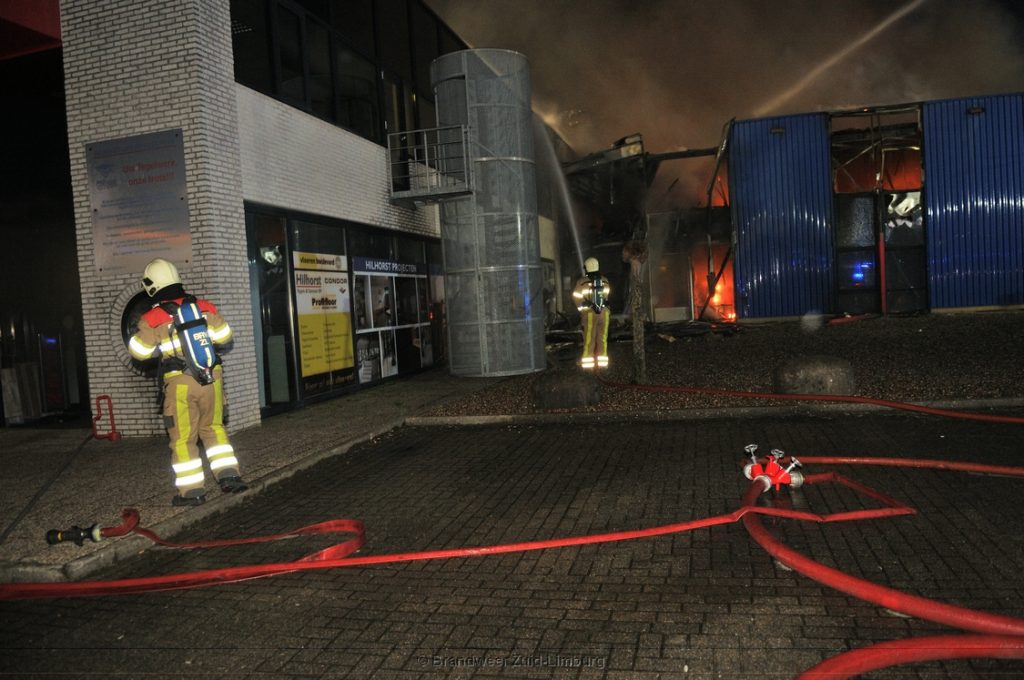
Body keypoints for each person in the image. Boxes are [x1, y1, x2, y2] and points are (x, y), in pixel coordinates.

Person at [128, 258, 247, 506]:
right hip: (211, 377)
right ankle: (230, 477)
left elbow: (139, 352)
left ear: (152, 286)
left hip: (180, 383)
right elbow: (225, 337)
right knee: (213, 428)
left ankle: (192, 492)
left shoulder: (152, 317)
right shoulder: (204, 307)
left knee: (183, 438)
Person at [572, 257, 611, 369]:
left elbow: (576, 297)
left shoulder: (581, 282)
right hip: (604, 313)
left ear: (587, 268)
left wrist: (582, 310)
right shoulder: (605, 280)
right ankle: (603, 364)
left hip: (589, 314)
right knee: (602, 338)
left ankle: (588, 365)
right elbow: (606, 296)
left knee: (589, 339)